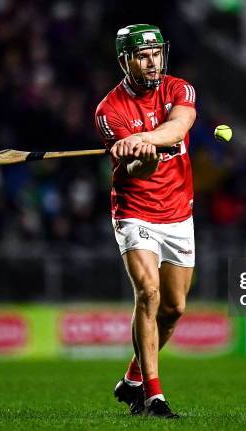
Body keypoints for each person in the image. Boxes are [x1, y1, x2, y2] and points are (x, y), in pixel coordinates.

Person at [94, 24, 196, 419]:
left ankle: (132, 378)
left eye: (156, 53)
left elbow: (179, 126)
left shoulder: (178, 89)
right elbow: (136, 170)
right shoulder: (109, 111)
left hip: (178, 211)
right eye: (143, 55)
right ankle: (153, 397)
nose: (152, 61)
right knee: (148, 294)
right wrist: (140, 154)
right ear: (125, 60)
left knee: (174, 308)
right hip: (135, 210)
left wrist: (147, 139)